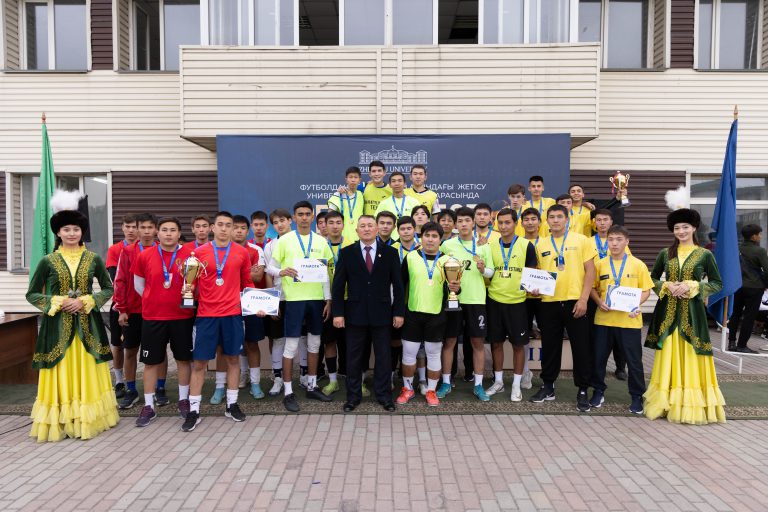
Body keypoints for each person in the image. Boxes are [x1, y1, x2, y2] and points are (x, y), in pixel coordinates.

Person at [26, 191, 118, 441]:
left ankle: (87, 418)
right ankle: (62, 419)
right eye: (66, 229)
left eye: (76, 229)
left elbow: (108, 288)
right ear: (58, 233)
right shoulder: (48, 261)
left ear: (82, 232)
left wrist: (87, 301)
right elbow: (32, 294)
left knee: (87, 369)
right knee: (61, 370)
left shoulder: (93, 259)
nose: (71, 233)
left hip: (88, 326)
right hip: (57, 328)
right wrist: (57, 301)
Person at [644, 208, 726, 424]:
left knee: (691, 354)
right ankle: (665, 403)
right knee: (668, 354)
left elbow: (717, 283)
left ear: (694, 228)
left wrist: (693, 286)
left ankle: (690, 405)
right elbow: (651, 278)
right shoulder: (665, 253)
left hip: (693, 314)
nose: (681, 231)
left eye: (685, 227)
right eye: (677, 228)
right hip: (668, 313)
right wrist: (667, 285)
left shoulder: (705, 254)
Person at [183, 211, 254, 432]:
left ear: (233, 229)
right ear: (212, 228)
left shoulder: (242, 253)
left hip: (232, 314)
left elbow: (247, 283)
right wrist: (186, 290)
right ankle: (194, 410)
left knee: (233, 359)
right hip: (206, 316)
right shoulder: (198, 253)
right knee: (199, 363)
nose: (224, 229)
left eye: (228, 225)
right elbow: (190, 285)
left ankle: (231, 405)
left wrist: (258, 304)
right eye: (220, 224)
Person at [332, 215, 405, 412]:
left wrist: (398, 312)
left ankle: (384, 396)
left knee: (383, 357)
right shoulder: (347, 253)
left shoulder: (390, 253)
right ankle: (353, 397)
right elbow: (338, 287)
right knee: (354, 358)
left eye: (370, 225)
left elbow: (398, 286)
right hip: (355, 314)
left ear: (377, 229)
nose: (366, 229)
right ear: (356, 230)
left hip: (382, 314)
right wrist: (338, 313)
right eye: (362, 226)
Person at [530, 205, 596, 412]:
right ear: (547, 221)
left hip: (575, 301)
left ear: (567, 219)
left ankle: (583, 389)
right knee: (550, 347)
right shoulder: (541, 244)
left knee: (581, 347)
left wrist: (584, 299)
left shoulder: (582, 240)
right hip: (549, 303)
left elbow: (590, 271)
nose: (556, 220)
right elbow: (537, 273)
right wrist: (534, 288)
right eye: (552, 217)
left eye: (560, 216)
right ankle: (548, 386)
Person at [270, 201, 334, 412]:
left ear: (313, 216)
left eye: (308, 214)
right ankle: (288, 392)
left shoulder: (321, 241)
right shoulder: (284, 240)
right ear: (294, 218)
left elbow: (325, 274)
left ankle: (312, 386)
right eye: (300, 214)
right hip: (294, 300)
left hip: (316, 299)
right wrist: (281, 272)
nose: (304, 217)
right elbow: (271, 267)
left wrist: (328, 299)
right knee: (291, 345)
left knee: (315, 344)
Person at [132, 217, 195, 427]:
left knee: (183, 360)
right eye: (165, 230)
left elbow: (194, 283)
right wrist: (154, 299)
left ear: (179, 233)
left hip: (182, 316)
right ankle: (149, 406)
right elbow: (139, 286)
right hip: (153, 316)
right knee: (151, 362)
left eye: (173, 230)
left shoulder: (190, 255)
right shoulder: (145, 255)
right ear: (157, 233)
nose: (168, 234)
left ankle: (183, 400)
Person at [588, 225, 653, 414]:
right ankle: (598, 391)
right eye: (611, 240)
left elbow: (646, 290)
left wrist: (636, 304)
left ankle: (636, 396)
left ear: (627, 242)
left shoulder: (638, 264)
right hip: (604, 321)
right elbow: (592, 287)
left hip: (629, 322)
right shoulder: (600, 264)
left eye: (618, 239)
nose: (614, 243)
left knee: (634, 362)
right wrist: (599, 301)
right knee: (598, 359)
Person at [396, 222, 460, 406]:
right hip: (413, 313)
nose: (430, 240)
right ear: (420, 237)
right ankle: (407, 388)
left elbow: (454, 289)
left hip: (437, 315)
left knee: (433, 354)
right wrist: (398, 312)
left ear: (440, 239)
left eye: (434, 236)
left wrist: (456, 288)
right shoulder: (410, 257)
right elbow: (400, 287)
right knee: (408, 354)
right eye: (427, 235)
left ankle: (431, 391)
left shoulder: (448, 261)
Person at [439, 207, 496, 401]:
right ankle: (446, 382)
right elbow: (439, 269)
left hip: (476, 300)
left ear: (473, 223)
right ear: (456, 224)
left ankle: (478, 385)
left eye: (467, 220)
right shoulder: (447, 245)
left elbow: (491, 272)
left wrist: (483, 269)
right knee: (449, 342)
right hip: (454, 300)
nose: (463, 224)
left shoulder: (483, 246)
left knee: (477, 343)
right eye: (460, 221)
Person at [114, 213, 167, 409]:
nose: (146, 231)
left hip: (156, 310)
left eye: (149, 227)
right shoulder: (128, 252)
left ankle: (160, 388)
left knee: (159, 351)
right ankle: (131, 390)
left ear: (156, 230)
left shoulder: (163, 250)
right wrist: (122, 309)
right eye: (142, 227)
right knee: (130, 351)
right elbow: (120, 281)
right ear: (136, 229)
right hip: (133, 310)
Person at [485, 208, 538, 401]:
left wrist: (535, 287)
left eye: (508, 222)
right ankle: (498, 382)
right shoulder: (490, 246)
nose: (504, 226)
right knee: (496, 343)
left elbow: (532, 273)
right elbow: (488, 273)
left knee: (518, 345)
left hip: (518, 303)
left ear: (516, 223)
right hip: (494, 301)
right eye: (500, 223)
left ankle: (516, 384)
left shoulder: (526, 245)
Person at [590, 209, 629, 380]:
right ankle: (597, 367)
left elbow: (626, 265)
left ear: (611, 222)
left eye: (605, 219)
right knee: (598, 334)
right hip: (593, 292)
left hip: (615, 294)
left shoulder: (619, 241)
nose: (602, 223)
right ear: (594, 223)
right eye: (598, 220)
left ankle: (620, 367)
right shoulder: (588, 242)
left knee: (618, 331)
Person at [232, 215, 267, 398]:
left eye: (242, 228)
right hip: (229, 302)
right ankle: (243, 375)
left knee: (252, 343)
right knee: (236, 343)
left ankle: (255, 382)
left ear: (248, 231)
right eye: (235, 227)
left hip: (251, 300)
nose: (239, 231)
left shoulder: (255, 250)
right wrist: (246, 271)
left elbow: (257, 277)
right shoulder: (223, 250)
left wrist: (234, 272)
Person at [105, 213, 137, 398]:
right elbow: (115, 278)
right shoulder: (115, 249)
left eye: (134, 227)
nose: (131, 230)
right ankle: (119, 381)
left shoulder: (145, 248)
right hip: (120, 304)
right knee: (117, 344)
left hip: (142, 306)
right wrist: (121, 305)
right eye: (128, 226)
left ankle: (157, 386)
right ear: (122, 228)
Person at [321, 210, 353, 395]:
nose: (334, 226)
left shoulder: (352, 245)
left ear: (343, 225)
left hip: (350, 300)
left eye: (338, 222)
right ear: (325, 225)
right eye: (330, 222)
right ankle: (333, 380)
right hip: (328, 301)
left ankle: (352, 379)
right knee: (329, 341)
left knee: (351, 342)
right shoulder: (319, 246)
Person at [264, 208, 293, 396]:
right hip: (279, 298)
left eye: (282, 220)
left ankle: (304, 376)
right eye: (275, 222)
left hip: (298, 297)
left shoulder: (300, 241)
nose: (280, 225)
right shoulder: (270, 246)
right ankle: (278, 378)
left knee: (302, 338)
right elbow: (268, 274)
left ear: (290, 220)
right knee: (278, 339)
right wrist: (272, 302)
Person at [728, 224, 768, 353]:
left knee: (735, 314)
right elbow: (767, 270)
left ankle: (731, 343)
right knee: (749, 317)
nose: (760, 236)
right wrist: (766, 284)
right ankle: (741, 345)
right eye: (759, 234)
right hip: (754, 287)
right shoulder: (760, 251)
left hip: (737, 286)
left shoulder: (736, 249)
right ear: (753, 236)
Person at [328, 166, 365, 242]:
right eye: (350, 177)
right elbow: (330, 216)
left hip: (359, 237)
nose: (353, 180)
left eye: (355, 177)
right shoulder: (338, 195)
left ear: (359, 180)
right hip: (342, 237)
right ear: (346, 179)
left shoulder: (361, 195)